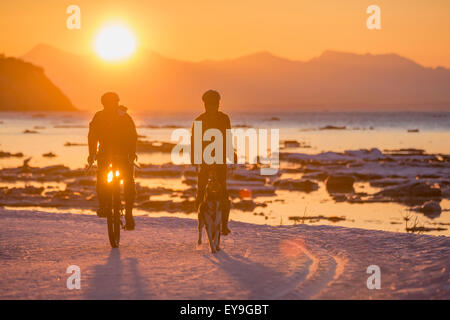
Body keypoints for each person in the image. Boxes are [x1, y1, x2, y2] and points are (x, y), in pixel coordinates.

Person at [88, 92, 138, 230]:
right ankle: (104, 205)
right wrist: (92, 154)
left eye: (114, 102)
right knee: (102, 177)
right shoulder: (99, 117)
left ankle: (128, 213)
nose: (112, 105)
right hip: (106, 153)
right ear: (104, 104)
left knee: (127, 180)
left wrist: (132, 153)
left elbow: (132, 136)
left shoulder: (123, 116)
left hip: (122, 153)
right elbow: (92, 137)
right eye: (110, 103)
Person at [191, 90, 232, 235]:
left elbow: (228, 137)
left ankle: (224, 225)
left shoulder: (224, 118)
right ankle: (201, 221)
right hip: (205, 159)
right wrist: (195, 158)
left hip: (219, 159)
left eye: (215, 103)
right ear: (205, 104)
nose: (214, 106)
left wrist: (231, 152)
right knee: (201, 191)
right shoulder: (199, 120)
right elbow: (194, 140)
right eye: (211, 104)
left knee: (223, 192)